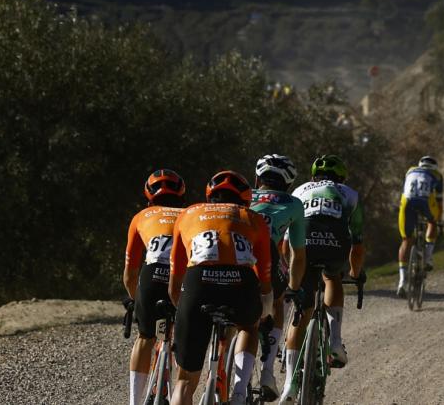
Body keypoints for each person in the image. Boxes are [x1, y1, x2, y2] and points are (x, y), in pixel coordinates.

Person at [168, 171, 273, 405]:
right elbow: (265, 274)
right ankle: (238, 392)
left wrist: (183, 310)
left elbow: (176, 274)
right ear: (245, 199)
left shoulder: (187, 214)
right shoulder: (253, 217)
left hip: (197, 283)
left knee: (184, 380)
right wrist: (265, 308)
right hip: (240, 283)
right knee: (249, 326)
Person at [278, 154, 365, 404]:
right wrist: (355, 274)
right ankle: (335, 341)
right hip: (335, 241)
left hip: (304, 239)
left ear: (314, 176)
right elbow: (357, 246)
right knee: (332, 278)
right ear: (342, 177)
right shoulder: (350, 194)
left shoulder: (301, 189)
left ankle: (288, 386)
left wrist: (290, 270)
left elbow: (287, 240)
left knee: (300, 314)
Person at [240, 154, 307, 401]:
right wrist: (293, 287)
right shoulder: (293, 203)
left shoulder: (243, 196)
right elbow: (298, 255)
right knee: (277, 301)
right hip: (268, 262)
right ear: (288, 184)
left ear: (257, 179)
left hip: (234, 259)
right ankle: (267, 371)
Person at [121, 169, 187, 405]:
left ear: (148, 195)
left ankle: (134, 401)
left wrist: (135, 300)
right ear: (181, 194)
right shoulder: (190, 214)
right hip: (184, 276)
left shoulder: (141, 217)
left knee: (145, 337)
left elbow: (130, 272)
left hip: (153, 275)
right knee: (187, 339)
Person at [397, 155, 444, 297]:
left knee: (406, 240)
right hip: (425, 202)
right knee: (432, 222)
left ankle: (402, 281)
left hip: (407, 203)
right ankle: (428, 258)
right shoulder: (437, 175)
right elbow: (439, 200)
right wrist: (439, 221)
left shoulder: (410, 171)